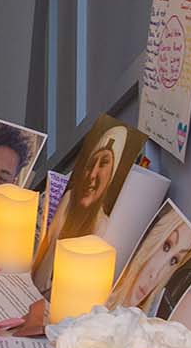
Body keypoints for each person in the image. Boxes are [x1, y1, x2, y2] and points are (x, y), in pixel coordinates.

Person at [33, 123, 131, 290]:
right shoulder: (68, 200)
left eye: (103, 164)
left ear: (112, 176)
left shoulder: (106, 227)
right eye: (90, 165)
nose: (92, 175)